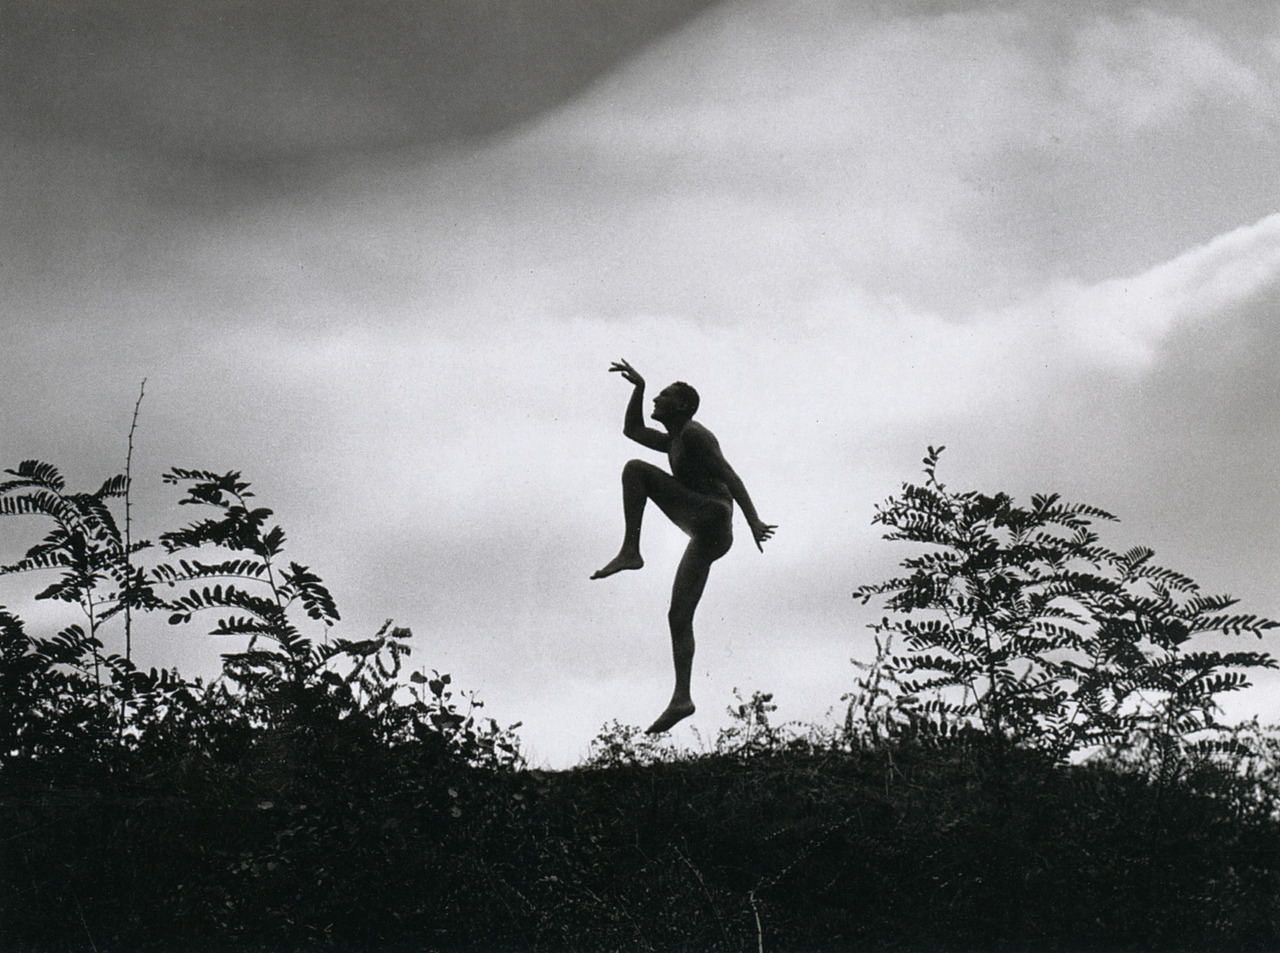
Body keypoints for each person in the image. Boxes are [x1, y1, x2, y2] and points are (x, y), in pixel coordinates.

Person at [591, 359, 776, 733]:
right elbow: (632, 430)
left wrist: (754, 520)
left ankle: (631, 550)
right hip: (706, 536)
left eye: (663, 395)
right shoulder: (673, 441)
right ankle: (682, 698)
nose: (656, 399)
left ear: (682, 406)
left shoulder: (694, 435)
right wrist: (639, 388)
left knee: (635, 469)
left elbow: (731, 476)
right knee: (678, 615)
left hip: (712, 515)